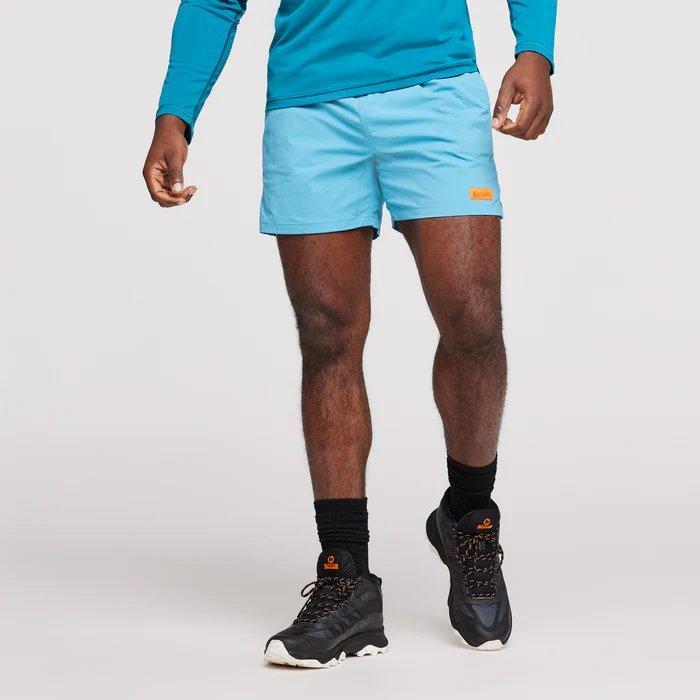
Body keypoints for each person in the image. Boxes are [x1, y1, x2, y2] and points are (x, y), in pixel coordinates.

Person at [143, 0, 556, 668]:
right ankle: (346, 576)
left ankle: (470, 516)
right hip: (308, 106)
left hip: (435, 88)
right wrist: (175, 113)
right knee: (327, 337)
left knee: (473, 319)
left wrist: (535, 48)